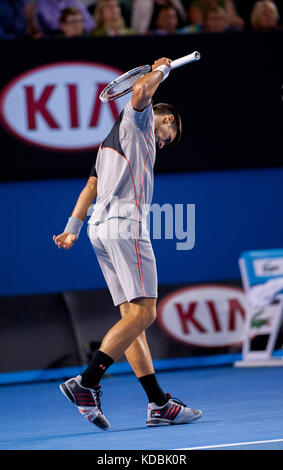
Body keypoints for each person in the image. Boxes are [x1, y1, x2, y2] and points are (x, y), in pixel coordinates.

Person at [53, 57, 202, 429]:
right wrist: (163, 69)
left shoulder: (108, 142)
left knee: (130, 319)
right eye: (171, 136)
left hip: (99, 229)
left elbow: (91, 186)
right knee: (145, 314)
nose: (165, 144)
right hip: (124, 225)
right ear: (167, 119)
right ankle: (86, 383)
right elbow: (139, 90)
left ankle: (158, 404)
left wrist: (73, 226)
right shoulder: (140, 122)